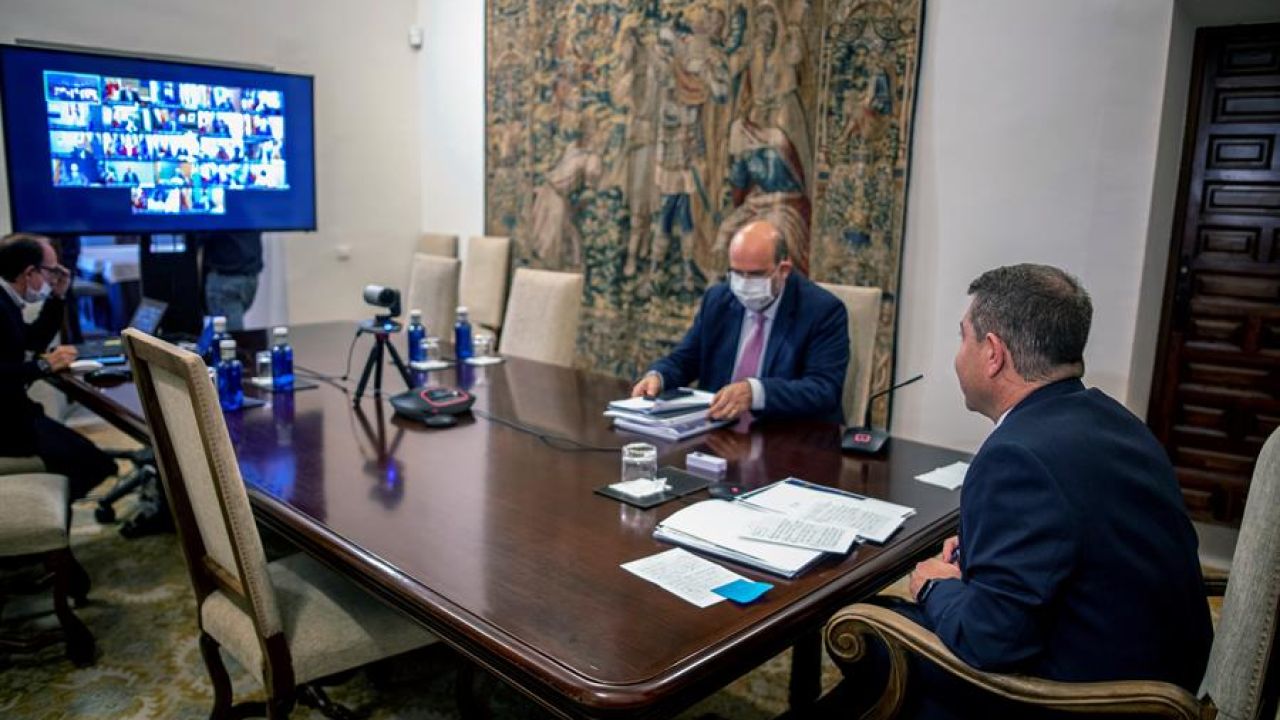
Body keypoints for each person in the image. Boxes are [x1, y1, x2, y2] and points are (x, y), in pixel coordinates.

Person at [827, 264, 1213, 719]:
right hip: (1157, 669)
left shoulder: (1016, 456)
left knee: (870, 633)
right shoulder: (1116, 421)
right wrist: (979, 555)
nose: (958, 354)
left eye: (963, 337)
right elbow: (1073, 540)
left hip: (1086, 698)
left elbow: (987, 640)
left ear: (993, 353)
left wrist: (931, 584)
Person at [631, 219, 847, 423]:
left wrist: (756, 393)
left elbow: (824, 390)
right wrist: (659, 376)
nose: (744, 284)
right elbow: (687, 358)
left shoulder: (822, 310)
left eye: (755, 275)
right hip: (719, 429)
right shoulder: (718, 299)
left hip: (786, 434)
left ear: (783, 270)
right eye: (737, 273)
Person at [0, 233, 116, 500]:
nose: (56, 277)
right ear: (30, 273)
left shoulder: (6, 300)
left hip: (16, 416)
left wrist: (57, 296)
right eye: (52, 271)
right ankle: (37, 507)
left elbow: (33, 338)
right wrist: (43, 365)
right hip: (7, 426)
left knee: (91, 457)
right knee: (96, 465)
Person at [197, 231, 264, 330]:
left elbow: (202, 232)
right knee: (226, 327)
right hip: (249, 273)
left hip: (225, 276)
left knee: (230, 335)